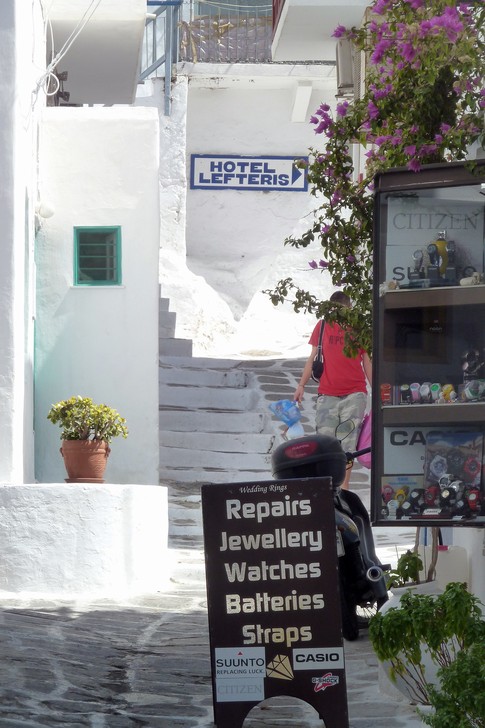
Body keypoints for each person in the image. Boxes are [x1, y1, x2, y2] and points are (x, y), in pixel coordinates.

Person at [293, 291, 372, 490]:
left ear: (350, 309)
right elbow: (312, 357)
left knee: (347, 445)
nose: (339, 314)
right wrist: (301, 385)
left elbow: (367, 362)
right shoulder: (322, 326)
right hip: (327, 394)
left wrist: (378, 391)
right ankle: (329, 490)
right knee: (326, 445)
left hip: (354, 393)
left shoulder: (359, 328)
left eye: (342, 310)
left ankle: (344, 490)